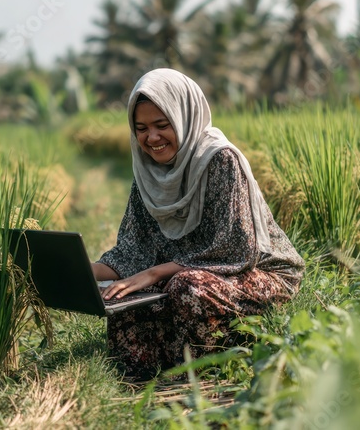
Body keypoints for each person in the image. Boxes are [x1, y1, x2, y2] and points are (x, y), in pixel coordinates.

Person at [91, 68, 304, 380]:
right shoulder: (148, 173)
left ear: (184, 116)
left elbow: (234, 250)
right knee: (127, 302)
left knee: (188, 287)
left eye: (162, 125)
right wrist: (85, 270)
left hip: (260, 273)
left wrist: (153, 273)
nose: (151, 138)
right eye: (141, 128)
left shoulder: (220, 160)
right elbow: (133, 251)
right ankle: (169, 361)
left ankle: (229, 355)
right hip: (192, 271)